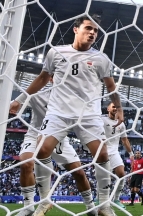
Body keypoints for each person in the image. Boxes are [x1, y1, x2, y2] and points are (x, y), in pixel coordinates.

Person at [9, 14, 123, 216]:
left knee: (102, 155)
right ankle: (44, 201)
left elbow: (111, 86)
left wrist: (119, 107)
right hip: (59, 113)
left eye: (95, 31)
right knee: (42, 151)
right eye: (88, 28)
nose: (92, 33)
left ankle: (104, 205)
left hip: (88, 114)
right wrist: (19, 100)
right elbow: (43, 78)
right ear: (76, 29)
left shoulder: (100, 59)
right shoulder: (56, 52)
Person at [9, 81, 96, 216]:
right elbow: (17, 102)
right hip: (35, 134)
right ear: (50, 79)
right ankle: (29, 206)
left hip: (59, 138)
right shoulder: (37, 94)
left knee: (78, 173)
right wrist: (14, 103)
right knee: (25, 163)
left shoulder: (73, 99)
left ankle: (90, 206)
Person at [99, 102, 134, 209]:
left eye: (117, 107)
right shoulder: (101, 119)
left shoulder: (121, 124)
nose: (115, 109)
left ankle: (116, 199)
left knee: (121, 174)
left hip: (114, 152)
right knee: (104, 177)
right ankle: (99, 199)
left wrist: (131, 154)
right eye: (113, 106)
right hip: (102, 151)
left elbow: (124, 140)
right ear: (108, 109)